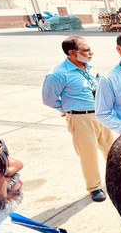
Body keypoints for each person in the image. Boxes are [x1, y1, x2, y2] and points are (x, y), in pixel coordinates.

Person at [42, 36, 116, 202]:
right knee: (88, 154)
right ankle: (95, 187)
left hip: (101, 114)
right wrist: (67, 110)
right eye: (86, 50)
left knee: (111, 149)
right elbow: (48, 99)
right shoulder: (58, 74)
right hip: (81, 118)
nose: (91, 53)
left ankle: (115, 178)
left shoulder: (89, 67)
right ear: (72, 53)